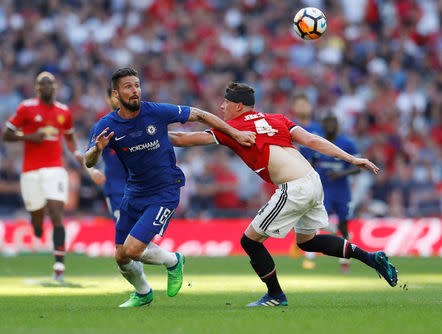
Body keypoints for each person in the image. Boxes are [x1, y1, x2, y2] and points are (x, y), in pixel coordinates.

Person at [168, 82, 398, 307]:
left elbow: (182, 139)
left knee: (249, 241)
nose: (221, 107)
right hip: (312, 180)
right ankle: (371, 258)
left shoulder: (234, 129)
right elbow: (312, 140)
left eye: (226, 102)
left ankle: (276, 295)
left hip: (295, 186)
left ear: (238, 106)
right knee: (307, 242)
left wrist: (145, 133)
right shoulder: (276, 119)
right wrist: (352, 158)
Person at [84, 68, 255, 308]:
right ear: (115, 94)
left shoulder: (155, 111)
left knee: (133, 250)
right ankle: (143, 293)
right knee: (121, 256)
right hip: (134, 191)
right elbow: (88, 160)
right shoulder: (106, 125)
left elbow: (199, 114)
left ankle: (173, 261)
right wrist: (97, 149)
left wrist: (234, 132)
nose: (135, 91)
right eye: (128, 87)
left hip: (164, 190)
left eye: (137, 85)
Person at [2, 72, 83, 281]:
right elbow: (7, 133)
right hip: (30, 171)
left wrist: (75, 153)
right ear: (37, 88)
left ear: (55, 87)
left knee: (56, 211)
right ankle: (37, 227)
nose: (47, 87)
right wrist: (28, 136)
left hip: (55, 168)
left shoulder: (64, 111)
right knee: (37, 216)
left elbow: (70, 137)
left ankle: (59, 266)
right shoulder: (26, 108)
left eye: (50, 83)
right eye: (42, 84)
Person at [313, 112, 361, 273]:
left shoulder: (347, 143)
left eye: (333, 124)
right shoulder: (316, 142)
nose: (330, 127)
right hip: (323, 191)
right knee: (318, 220)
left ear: (337, 127)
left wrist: (340, 174)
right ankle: (333, 230)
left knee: (345, 227)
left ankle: (344, 262)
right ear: (323, 127)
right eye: (327, 124)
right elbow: (311, 163)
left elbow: (357, 168)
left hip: (342, 192)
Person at [290, 94, 324, 269]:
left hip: (315, 177)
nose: (302, 108)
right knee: (300, 212)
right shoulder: (290, 127)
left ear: (310, 107)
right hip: (294, 177)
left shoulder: (318, 129)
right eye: (299, 104)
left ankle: (309, 256)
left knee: (311, 214)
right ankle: (300, 243)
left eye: (305, 104)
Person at [86, 88, 126, 222]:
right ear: (108, 99)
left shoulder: (140, 122)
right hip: (116, 190)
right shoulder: (102, 126)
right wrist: (92, 172)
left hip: (143, 187)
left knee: (141, 237)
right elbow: (87, 157)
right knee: (126, 236)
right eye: (115, 96)